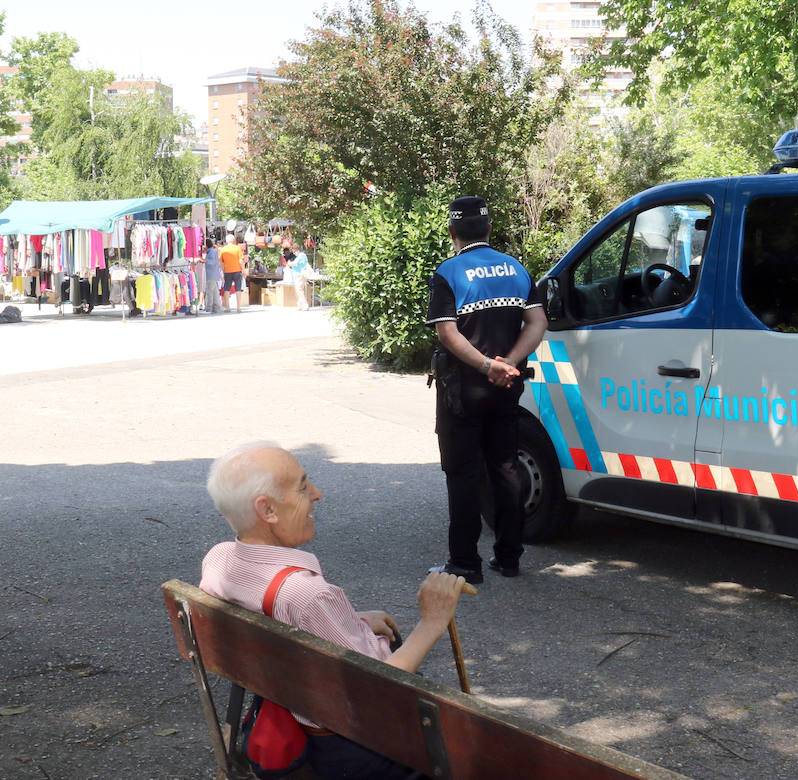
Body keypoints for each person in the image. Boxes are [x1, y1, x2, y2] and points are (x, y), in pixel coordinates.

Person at [200, 442, 465, 779]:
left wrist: (349, 622)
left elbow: (273, 611)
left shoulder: (219, 560)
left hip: (285, 705)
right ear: (267, 510)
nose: (317, 494)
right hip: (349, 743)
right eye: (302, 486)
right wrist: (433, 621)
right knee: (468, 751)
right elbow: (382, 687)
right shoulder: (308, 596)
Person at [425, 196, 548, 583]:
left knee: (462, 474)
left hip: (463, 391)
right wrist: (508, 363)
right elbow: (537, 322)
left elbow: (448, 333)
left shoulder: (448, 272)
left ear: (452, 232)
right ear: (489, 229)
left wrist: (485, 365)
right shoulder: (517, 269)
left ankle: (465, 564)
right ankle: (509, 558)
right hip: (506, 388)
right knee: (506, 468)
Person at [219, 233, 245, 312]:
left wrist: (224, 270)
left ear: (226, 241)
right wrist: (243, 270)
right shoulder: (237, 248)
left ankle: (228, 308)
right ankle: (238, 307)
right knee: (238, 289)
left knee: (227, 289)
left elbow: (221, 263)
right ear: (233, 240)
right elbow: (241, 260)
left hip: (227, 271)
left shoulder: (223, 249)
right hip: (237, 271)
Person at [202, 238, 223, 314]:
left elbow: (211, 262)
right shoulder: (213, 251)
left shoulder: (211, 252)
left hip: (211, 275)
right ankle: (216, 308)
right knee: (215, 292)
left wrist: (203, 260)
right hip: (214, 275)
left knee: (210, 292)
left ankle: (209, 309)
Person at [288, 246, 312, 310]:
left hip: (300, 274)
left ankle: (305, 305)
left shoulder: (301, 255)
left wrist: (289, 263)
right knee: (298, 290)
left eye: (294, 252)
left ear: (297, 250)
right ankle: (300, 305)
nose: (294, 253)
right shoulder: (301, 256)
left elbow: (295, 263)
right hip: (299, 274)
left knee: (299, 290)